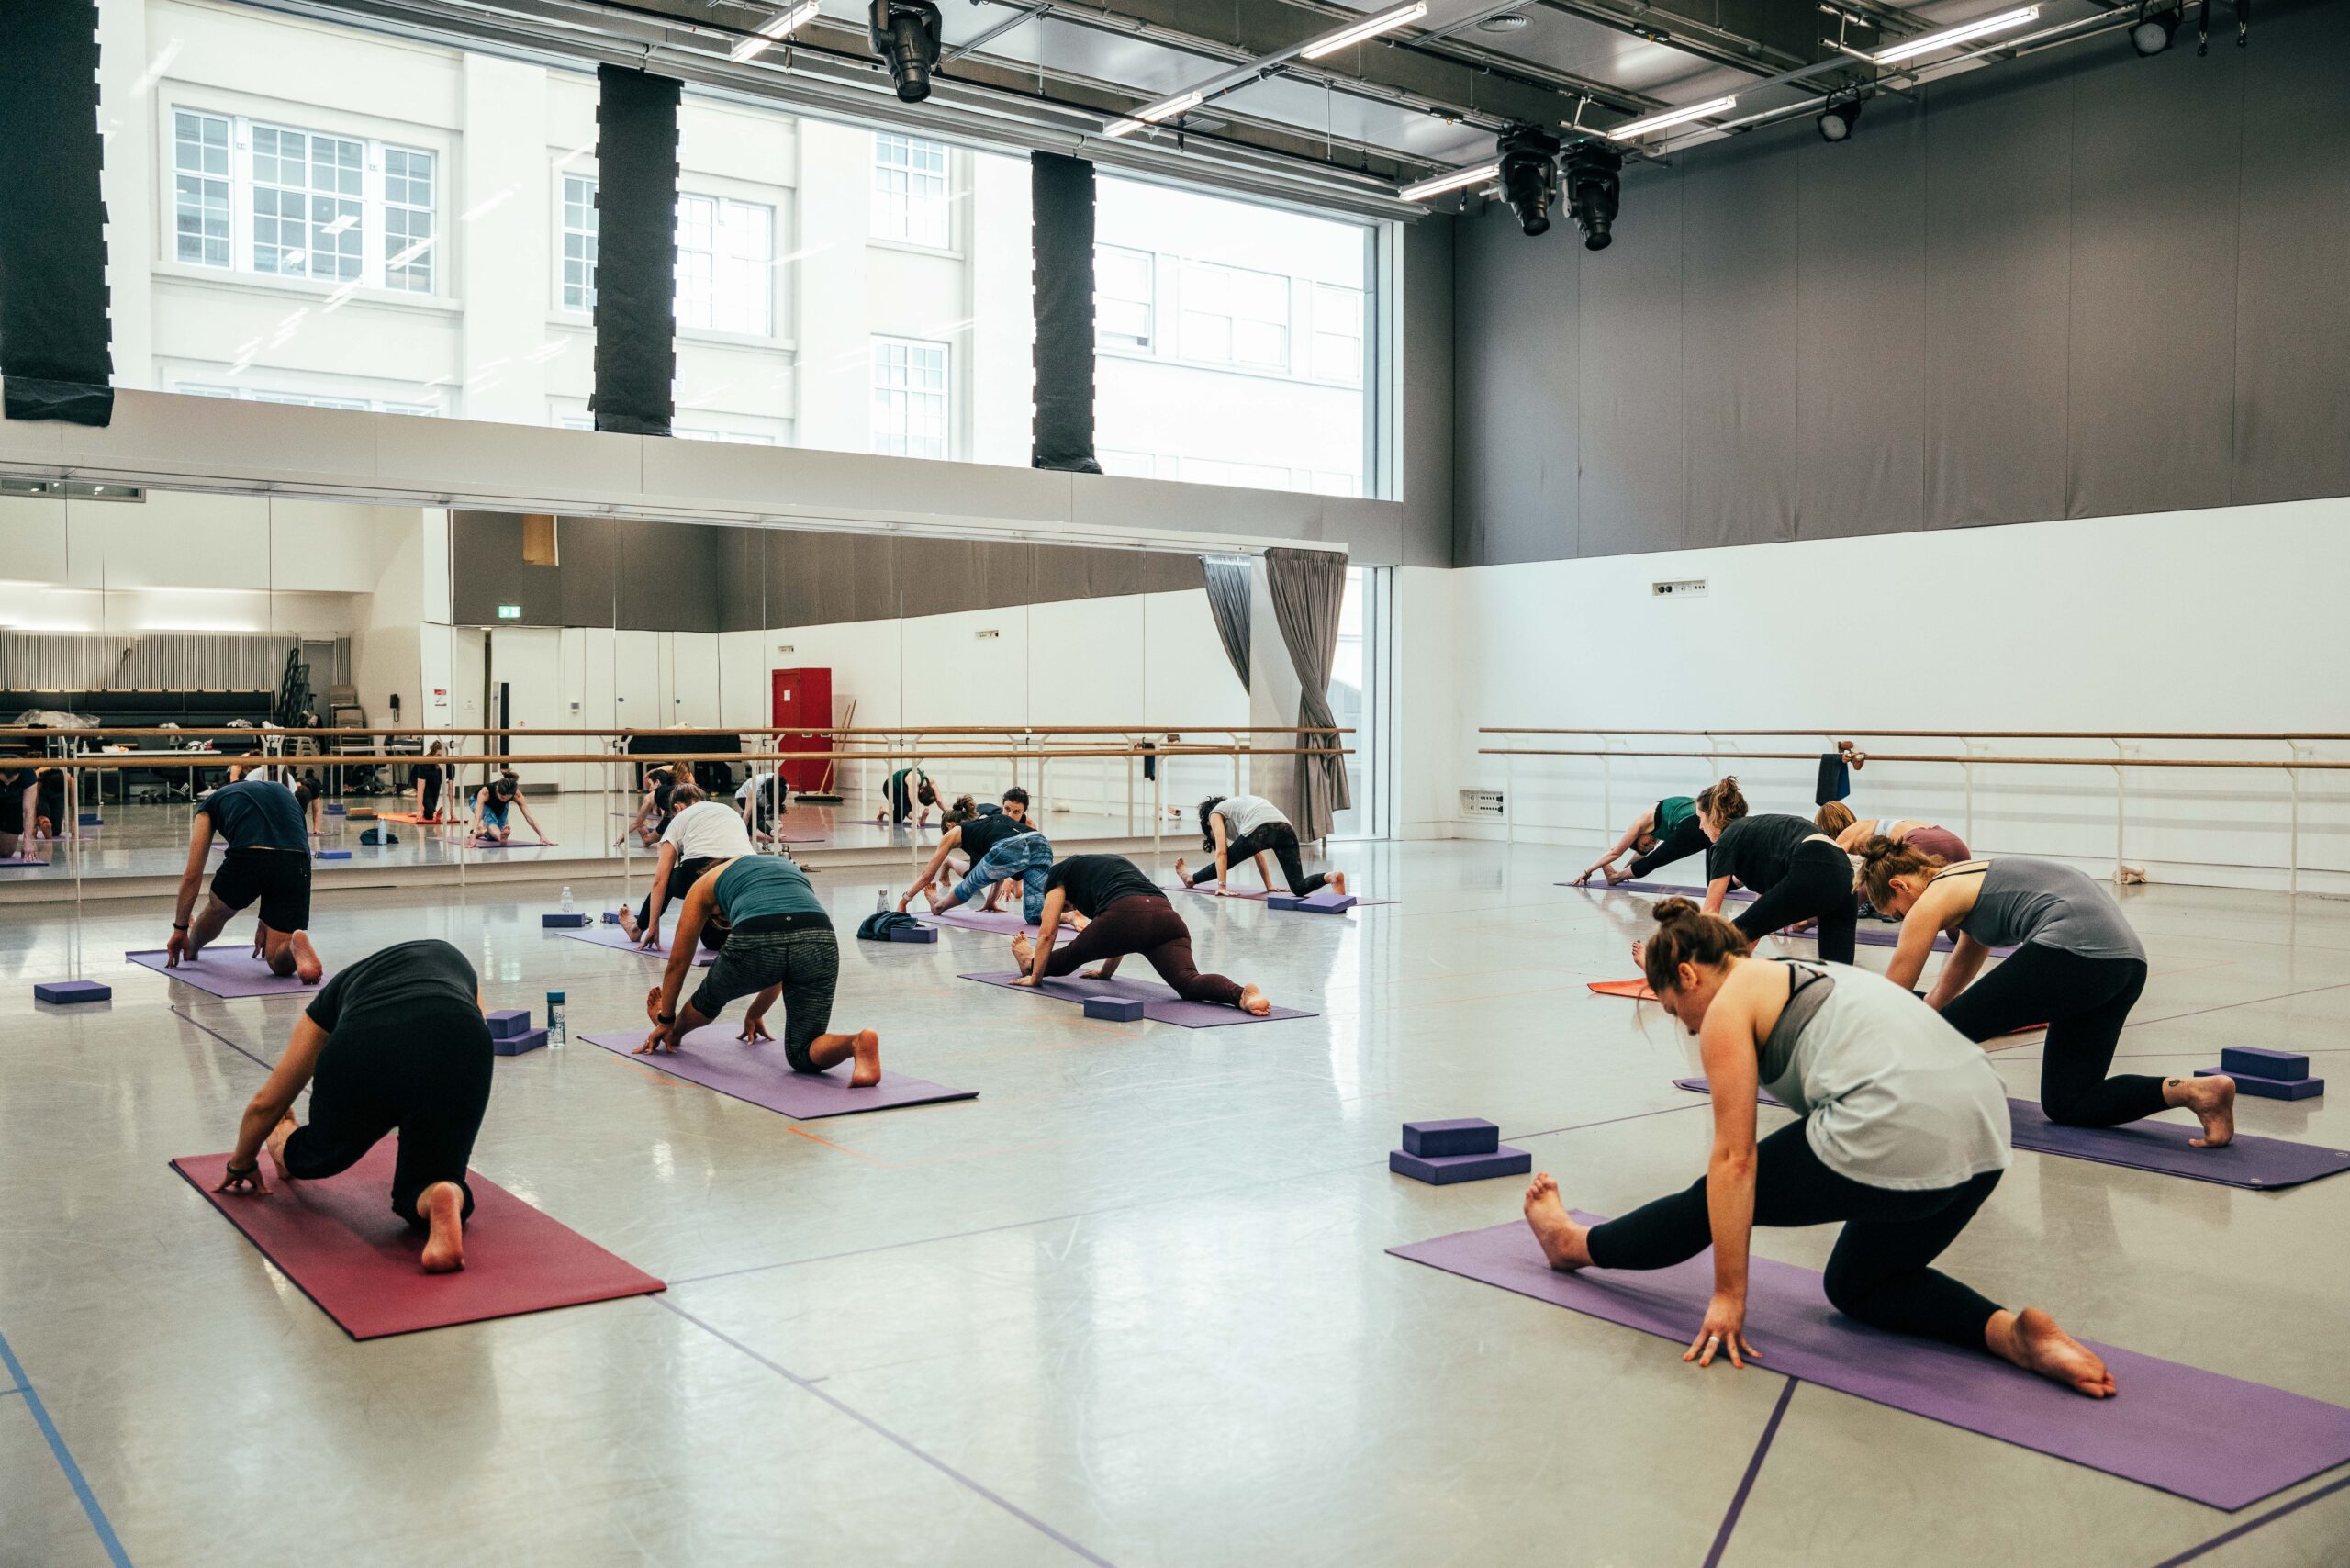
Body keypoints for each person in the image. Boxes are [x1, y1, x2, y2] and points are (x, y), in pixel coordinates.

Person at [1519, 899, 2115, 1398]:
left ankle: (1569, 1244)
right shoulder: (1805, 968)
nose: (1691, 1028)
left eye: (1678, 1013)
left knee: (1711, 1198)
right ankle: (2011, 1334)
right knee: (1860, 1285)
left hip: (1895, 1125)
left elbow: (1735, 1163)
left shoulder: (1727, 1005)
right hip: (1985, 1133)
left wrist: (1729, 1294)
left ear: (1688, 975)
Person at [1859, 840, 2235, 1144]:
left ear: (1900, 885)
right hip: (2124, 966)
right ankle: (2197, 1093)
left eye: (1896, 914)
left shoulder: (1933, 897)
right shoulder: (1967, 886)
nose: (1902, 921)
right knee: (2069, 1102)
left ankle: (1890, 1111)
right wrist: (1934, 1006)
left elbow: (1894, 988)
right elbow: (1964, 960)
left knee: (1940, 1036)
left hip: (2073, 953)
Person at [208, 938, 492, 1274]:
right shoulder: (453, 959)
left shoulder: (334, 994)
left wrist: (240, 1163)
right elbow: (472, 1028)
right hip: (462, 1036)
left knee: (316, 1153)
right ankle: (443, 1191)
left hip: (366, 1046)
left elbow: (265, 1102)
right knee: (431, 1174)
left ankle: (284, 1138)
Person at [638, 855, 881, 1086]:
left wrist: (666, 1017)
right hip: (820, 936)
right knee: (802, 1052)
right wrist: (755, 1012)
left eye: (722, 922)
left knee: (709, 998)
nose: (726, 926)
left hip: (756, 936)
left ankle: (673, 1033)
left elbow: (678, 961)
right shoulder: (783, 866)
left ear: (716, 910)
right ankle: (857, 1042)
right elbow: (783, 951)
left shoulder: (703, 884)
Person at [1010, 853, 1271, 1015]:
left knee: (1072, 955)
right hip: (1167, 918)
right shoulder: (1110, 864)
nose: (1071, 907)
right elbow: (1122, 931)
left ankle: (1027, 962)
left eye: (1068, 905)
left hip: (1125, 915)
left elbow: (1047, 932)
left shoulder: (1057, 874)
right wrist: (1106, 973)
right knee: (1189, 981)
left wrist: (1035, 976)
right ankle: (1241, 994)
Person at [1669, 777, 1858, 966]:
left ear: (1714, 816)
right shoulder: (1759, 834)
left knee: (1731, 936)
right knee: (1838, 969)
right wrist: (1741, 964)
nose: (1700, 826)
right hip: (1845, 874)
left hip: (1812, 863)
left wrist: (1690, 960)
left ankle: (1689, 981)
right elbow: (1757, 926)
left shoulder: (1727, 839)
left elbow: (1710, 912)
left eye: (1700, 818)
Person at [166, 774, 323, 982]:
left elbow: (192, 875)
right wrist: (266, 921)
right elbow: (284, 848)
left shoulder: (211, 802)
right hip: (296, 861)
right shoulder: (282, 791)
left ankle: (191, 947)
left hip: (250, 855)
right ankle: (294, 945)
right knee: (278, 961)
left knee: (218, 909)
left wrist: (179, 928)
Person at [618, 782, 755, 949]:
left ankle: (635, 929)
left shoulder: (679, 819)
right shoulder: (729, 811)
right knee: (714, 943)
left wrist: (653, 927)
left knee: (668, 882)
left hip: (701, 872)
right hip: (746, 873)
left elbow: (660, 881)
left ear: (677, 808)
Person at [902, 787, 1055, 924]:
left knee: (970, 883)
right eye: (1007, 808)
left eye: (1016, 811)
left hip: (1009, 848)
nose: (1010, 814)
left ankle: (937, 905)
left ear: (949, 826)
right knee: (1034, 915)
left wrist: (904, 900)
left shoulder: (956, 831)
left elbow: (927, 875)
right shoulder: (995, 819)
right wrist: (990, 900)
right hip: (1042, 845)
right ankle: (1071, 916)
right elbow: (1001, 861)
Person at [1177, 794, 1347, 900]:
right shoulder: (1238, 810)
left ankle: (1190, 879)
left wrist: (1222, 886)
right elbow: (1257, 852)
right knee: (1298, 887)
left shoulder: (1214, 814)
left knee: (1226, 859)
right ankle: (1331, 877)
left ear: (1207, 823)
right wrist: (1269, 885)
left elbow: (1222, 853)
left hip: (1261, 827)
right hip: (1286, 828)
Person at [1577, 795, 1710, 886]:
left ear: (1638, 836)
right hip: (1709, 820)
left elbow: (1615, 852)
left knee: (1653, 860)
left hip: (1696, 820)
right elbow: (1642, 853)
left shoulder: (1641, 823)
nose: (1652, 844)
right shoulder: (1658, 825)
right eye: (1650, 846)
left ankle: (1615, 877)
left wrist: (1587, 871)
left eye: (1646, 843)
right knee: (1715, 880)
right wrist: (1627, 870)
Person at [1816, 801, 1968, 864]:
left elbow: (1831, 863)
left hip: (1922, 840)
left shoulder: (1850, 832)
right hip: (1953, 841)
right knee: (1955, 931)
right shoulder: (1868, 826)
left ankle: (1805, 922)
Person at [473, 767, 553, 846]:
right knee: (490, 817)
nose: (504, 800)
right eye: (502, 797)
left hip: (500, 806)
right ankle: (500, 837)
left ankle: (483, 831)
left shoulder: (517, 795)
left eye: (507, 799)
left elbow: (529, 817)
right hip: (476, 801)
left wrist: (542, 835)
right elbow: (478, 816)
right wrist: (472, 836)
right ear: (497, 790)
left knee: (493, 835)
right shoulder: (485, 792)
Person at [618, 764, 679, 848]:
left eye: (650, 785)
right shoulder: (678, 787)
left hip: (676, 818)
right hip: (689, 814)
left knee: (646, 837)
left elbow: (637, 822)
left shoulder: (651, 796)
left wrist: (624, 835)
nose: (649, 789)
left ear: (657, 782)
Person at [0, 764, 44, 861]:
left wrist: (28, 840)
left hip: (14, 804)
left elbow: (29, 811)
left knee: (6, 852)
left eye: (11, 781)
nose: (7, 784)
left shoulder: (28, 774)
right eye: (3, 781)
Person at [877, 762, 937, 827]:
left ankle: (883, 810)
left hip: (902, 790)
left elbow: (939, 800)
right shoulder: (914, 781)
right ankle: (919, 819)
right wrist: (916, 818)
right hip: (890, 787)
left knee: (898, 819)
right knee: (906, 808)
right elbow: (914, 803)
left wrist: (947, 812)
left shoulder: (928, 782)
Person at [736, 767, 787, 846]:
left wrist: (778, 828)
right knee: (756, 816)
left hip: (762, 798)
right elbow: (748, 812)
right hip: (743, 796)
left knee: (758, 821)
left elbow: (778, 807)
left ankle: (768, 831)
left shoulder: (784, 786)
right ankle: (747, 828)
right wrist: (741, 835)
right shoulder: (755, 785)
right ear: (766, 793)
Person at [410, 742, 448, 822]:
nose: (441, 758)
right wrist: (419, 810)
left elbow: (441, 788)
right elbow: (421, 789)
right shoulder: (424, 763)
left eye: (443, 755)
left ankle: (432, 812)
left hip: (433, 777)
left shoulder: (447, 765)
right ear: (433, 754)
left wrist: (451, 812)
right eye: (438, 755)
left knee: (429, 814)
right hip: (417, 777)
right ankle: (433, 813)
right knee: (426, 794)